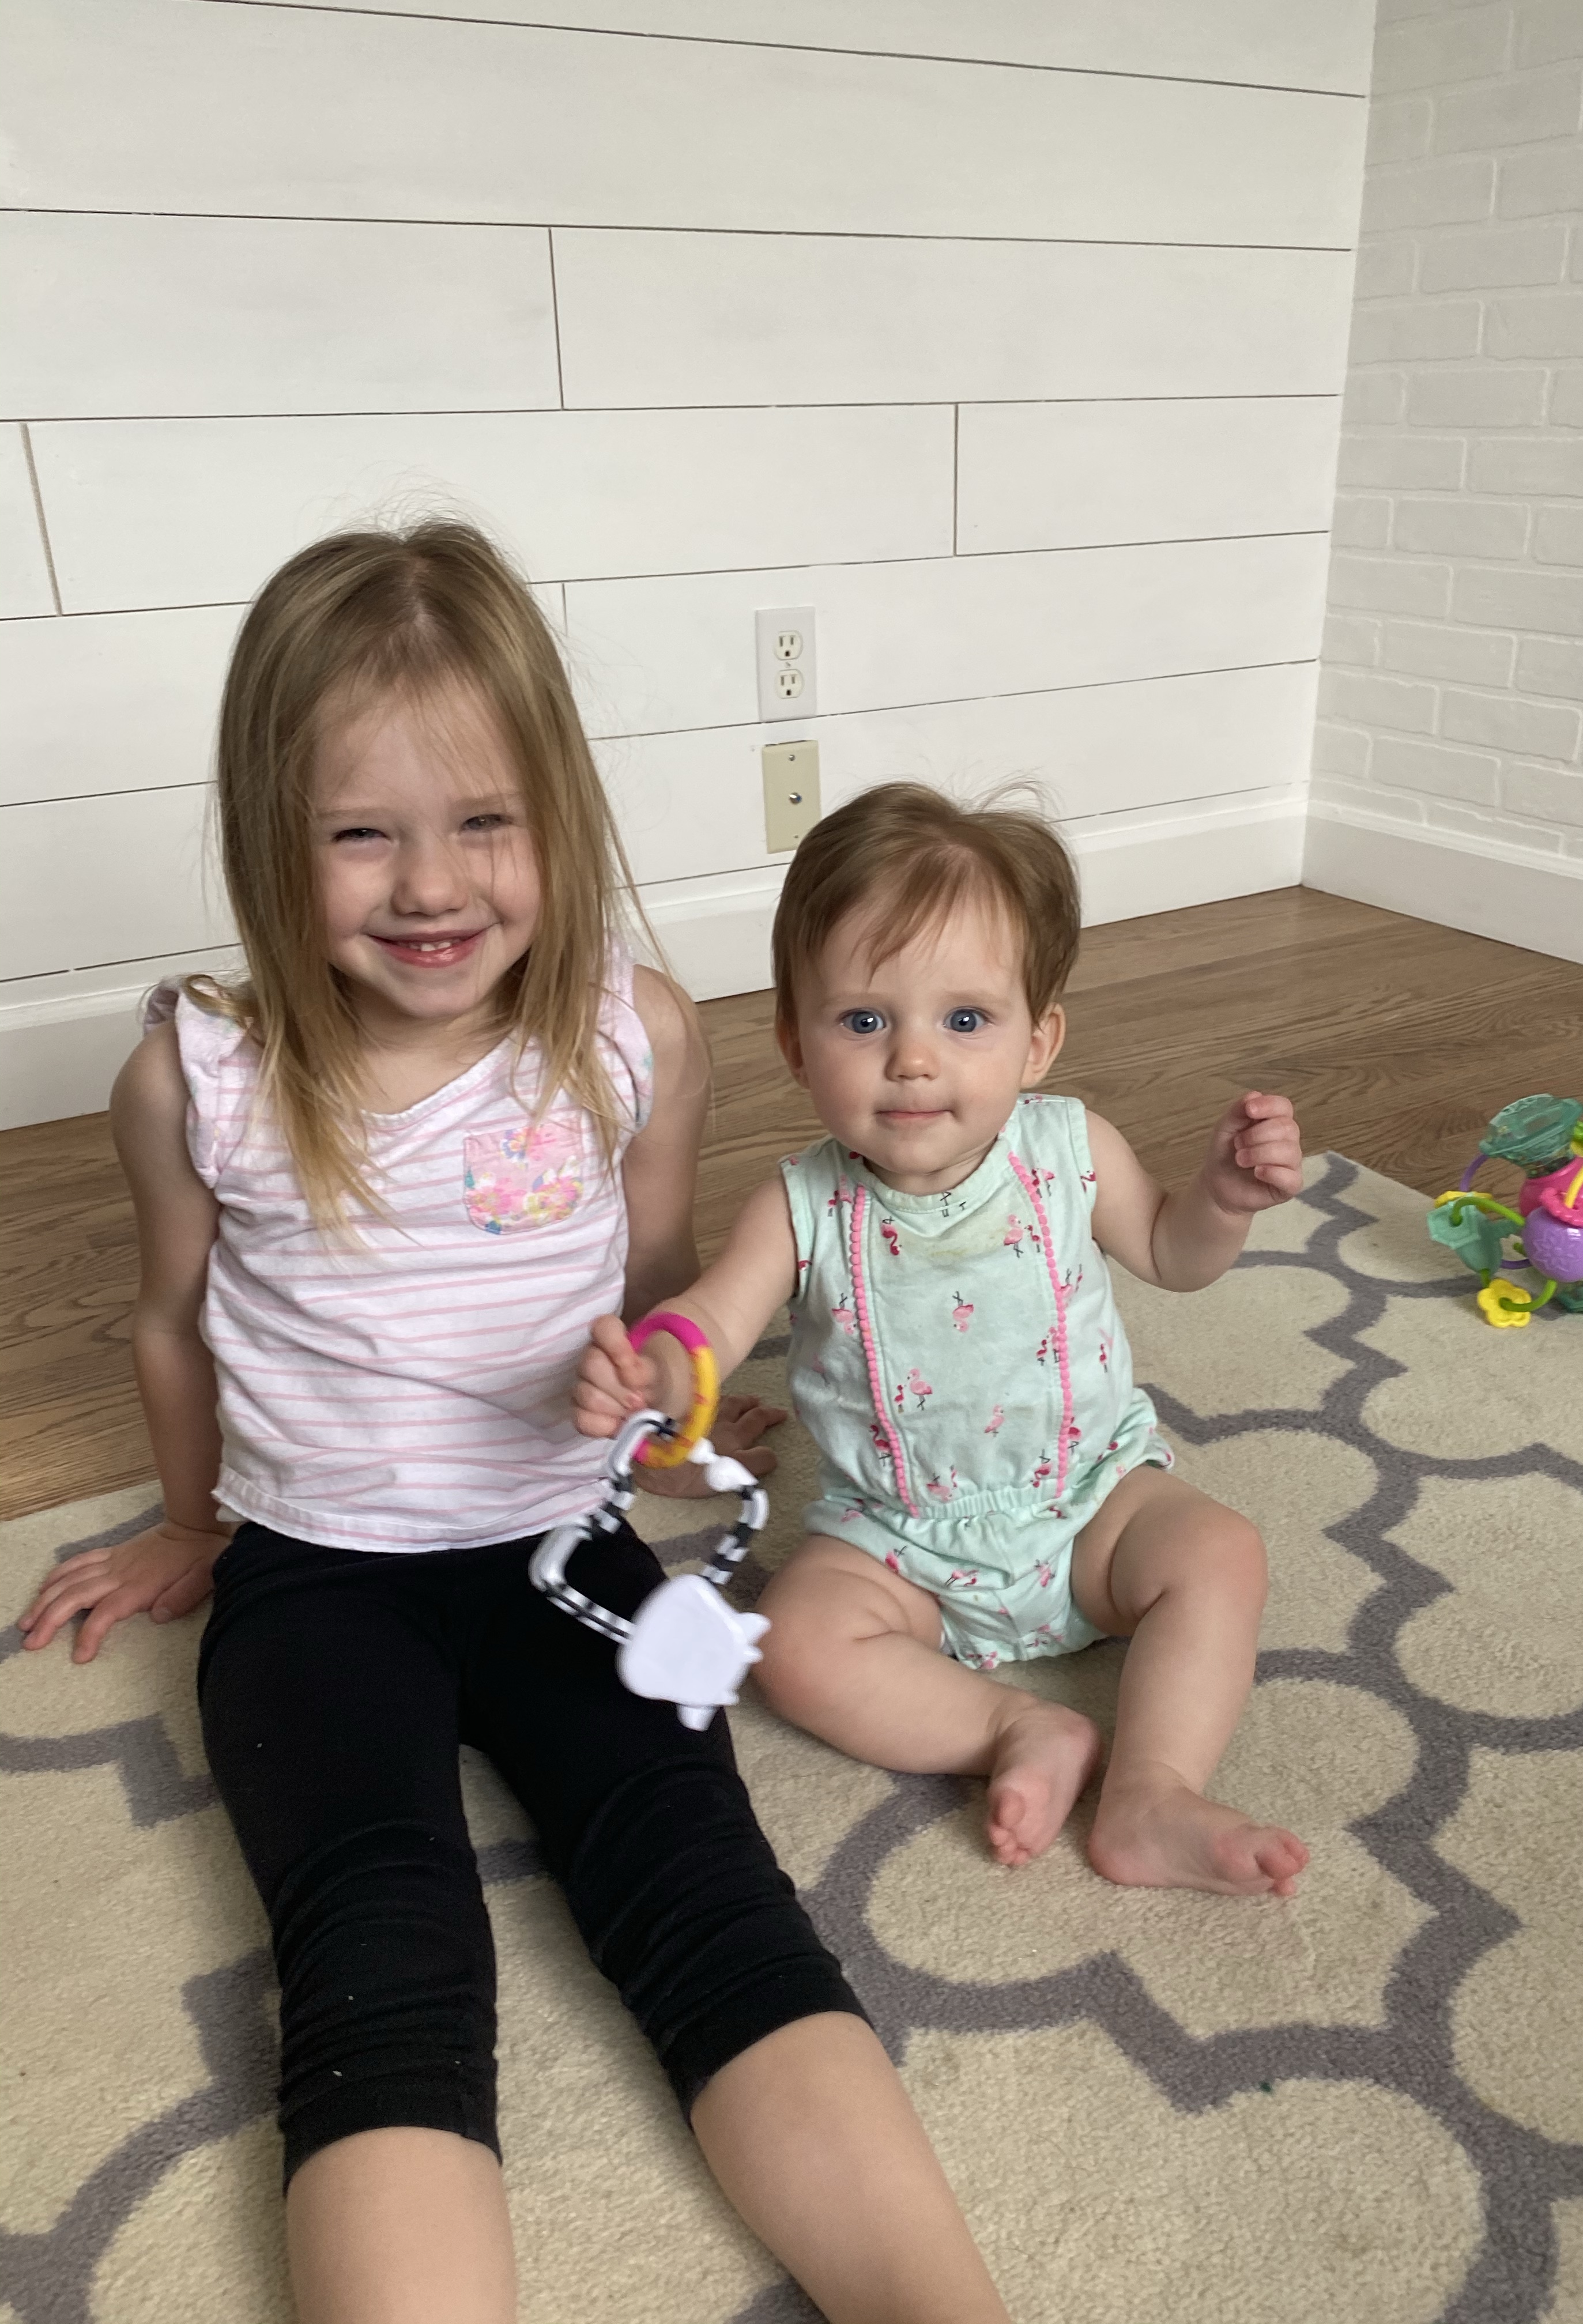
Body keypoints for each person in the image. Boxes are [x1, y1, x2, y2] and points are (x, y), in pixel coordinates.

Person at [17, 530, 1011, 2324]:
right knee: (378, 1949)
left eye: (485, 821)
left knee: (707, 1888)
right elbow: (167, 1321)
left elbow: (650, 1278)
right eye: (359, 832)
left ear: (559, 810)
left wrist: (678, 1399)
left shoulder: (635, 1036)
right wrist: (188, 1522)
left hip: (577, 1545)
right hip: (317, 1577)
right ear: (268, 836)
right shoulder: (199, 1077)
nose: (430, 885)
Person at [577, 783, 1311, 1898]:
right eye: (864, 1021)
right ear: (795, 1042)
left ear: (1038, 1041)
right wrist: (660, 1367)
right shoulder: (802, 1203)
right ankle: (1019, 1728)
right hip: (896, 1541)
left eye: (965, 1021)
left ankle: (1152, 1793)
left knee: (1221, 1553)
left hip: (1090, 1504)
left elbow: (1173, 1255)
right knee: (796, 1641)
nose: (914, 1060)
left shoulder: (1072, 1149)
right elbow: (716, 1317)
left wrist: (1220, 1201)